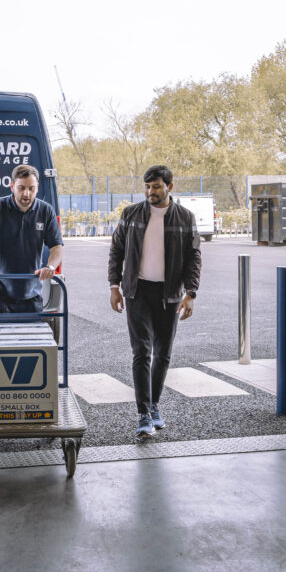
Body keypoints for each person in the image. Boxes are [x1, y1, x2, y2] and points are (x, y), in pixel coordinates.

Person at [108, 164, 201, 439]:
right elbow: (116, 250)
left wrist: (191, 293)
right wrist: (114, 286)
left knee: (163, 353)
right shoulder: (131, 214)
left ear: (169, 187)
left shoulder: (185, 218)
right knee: (141, 352)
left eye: (157, 186)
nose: (151, 191)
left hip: (169, 294)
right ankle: (144, 414)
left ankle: (154, 406)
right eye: (147, 186)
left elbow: (194, 257)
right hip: (137, 292)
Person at [0, 164, 64, 319]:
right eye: (21, 188)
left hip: (31, 291)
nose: (26, 193)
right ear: (12, 186)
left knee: (31, 342)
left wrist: (50, 266)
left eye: (31, 188)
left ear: (37, 187)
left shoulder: (46, 211)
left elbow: (57, 247)